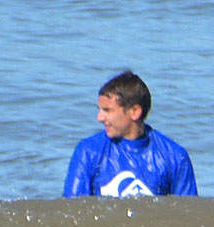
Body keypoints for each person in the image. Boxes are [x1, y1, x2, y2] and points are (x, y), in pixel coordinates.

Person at [63, 71, 198, 198]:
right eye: (99, 110)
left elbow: (187, 215)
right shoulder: (89, 151)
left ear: (134, 111)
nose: (99, 118)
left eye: (107, 110)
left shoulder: (174, 157)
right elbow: (72, 210)